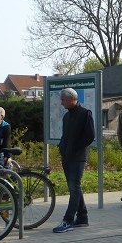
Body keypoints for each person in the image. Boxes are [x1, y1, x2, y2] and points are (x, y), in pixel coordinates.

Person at [52, 88, 95, 234]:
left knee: (74, 187)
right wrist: (62, 148)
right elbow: (65, 136)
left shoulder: (85, 114)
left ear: (71, 99)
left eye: (63, 99)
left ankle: (68, 220)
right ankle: (82, 217)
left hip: (78, 157)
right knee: (74, 188)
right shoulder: (66, 116)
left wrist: (76, 148)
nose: (61, 102)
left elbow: (90, 136)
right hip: (67, 156)